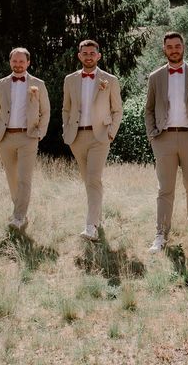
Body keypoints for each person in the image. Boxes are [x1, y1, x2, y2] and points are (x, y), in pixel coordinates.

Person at [145, 32, 188, 252]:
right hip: (163, 138)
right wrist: (152, 134)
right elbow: (148, 109)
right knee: (165, 188)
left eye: (177, 46)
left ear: (183, 47)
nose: (174, 50)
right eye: (169, 46)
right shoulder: (155, 77)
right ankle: (161, 234)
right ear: (164, 49)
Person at [62, 39, 123, 241]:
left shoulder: (110, 80)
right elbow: (66, 109)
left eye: (92, 53)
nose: (88, 56)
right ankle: (97, 216)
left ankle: (91, 227)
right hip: (76, 136)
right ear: (79, 56)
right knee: (89, 181)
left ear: (98, 56)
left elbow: (117, 110)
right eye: (85, 53)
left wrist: (111, 133)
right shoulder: (70, 80)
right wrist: (66, 130)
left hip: (100, 137)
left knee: (93, 179)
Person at [0, 48, 50, 231]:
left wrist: (40, 132)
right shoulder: (0, 84)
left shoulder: (38, 84)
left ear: (28, 63)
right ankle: (21, 213)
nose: (18, 65)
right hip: (5, 138)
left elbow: (46, 111)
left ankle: (18, 217)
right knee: (12, 178)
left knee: (24, 178)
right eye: (14, 61)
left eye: (21, 61)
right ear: (10, 62)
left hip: (29, 137)